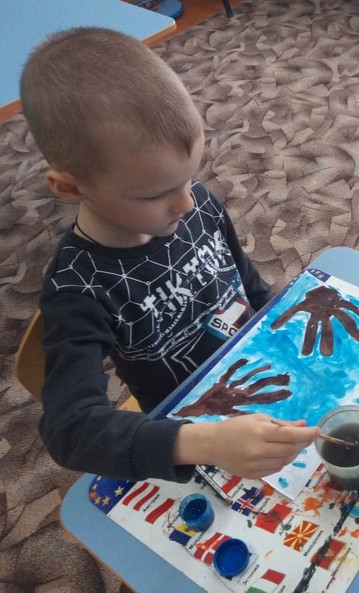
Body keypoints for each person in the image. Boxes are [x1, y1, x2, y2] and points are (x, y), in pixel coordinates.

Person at [20, 27, 319, 482]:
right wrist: (204, 443)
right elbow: (70, 431)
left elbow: (247, 283)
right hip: (189, 431)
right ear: (70, 188)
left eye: (188, 178)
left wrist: (284, 330)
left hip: (260, 375)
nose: (186, 203)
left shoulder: (195, 202)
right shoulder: (77, 288)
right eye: (156, 194)